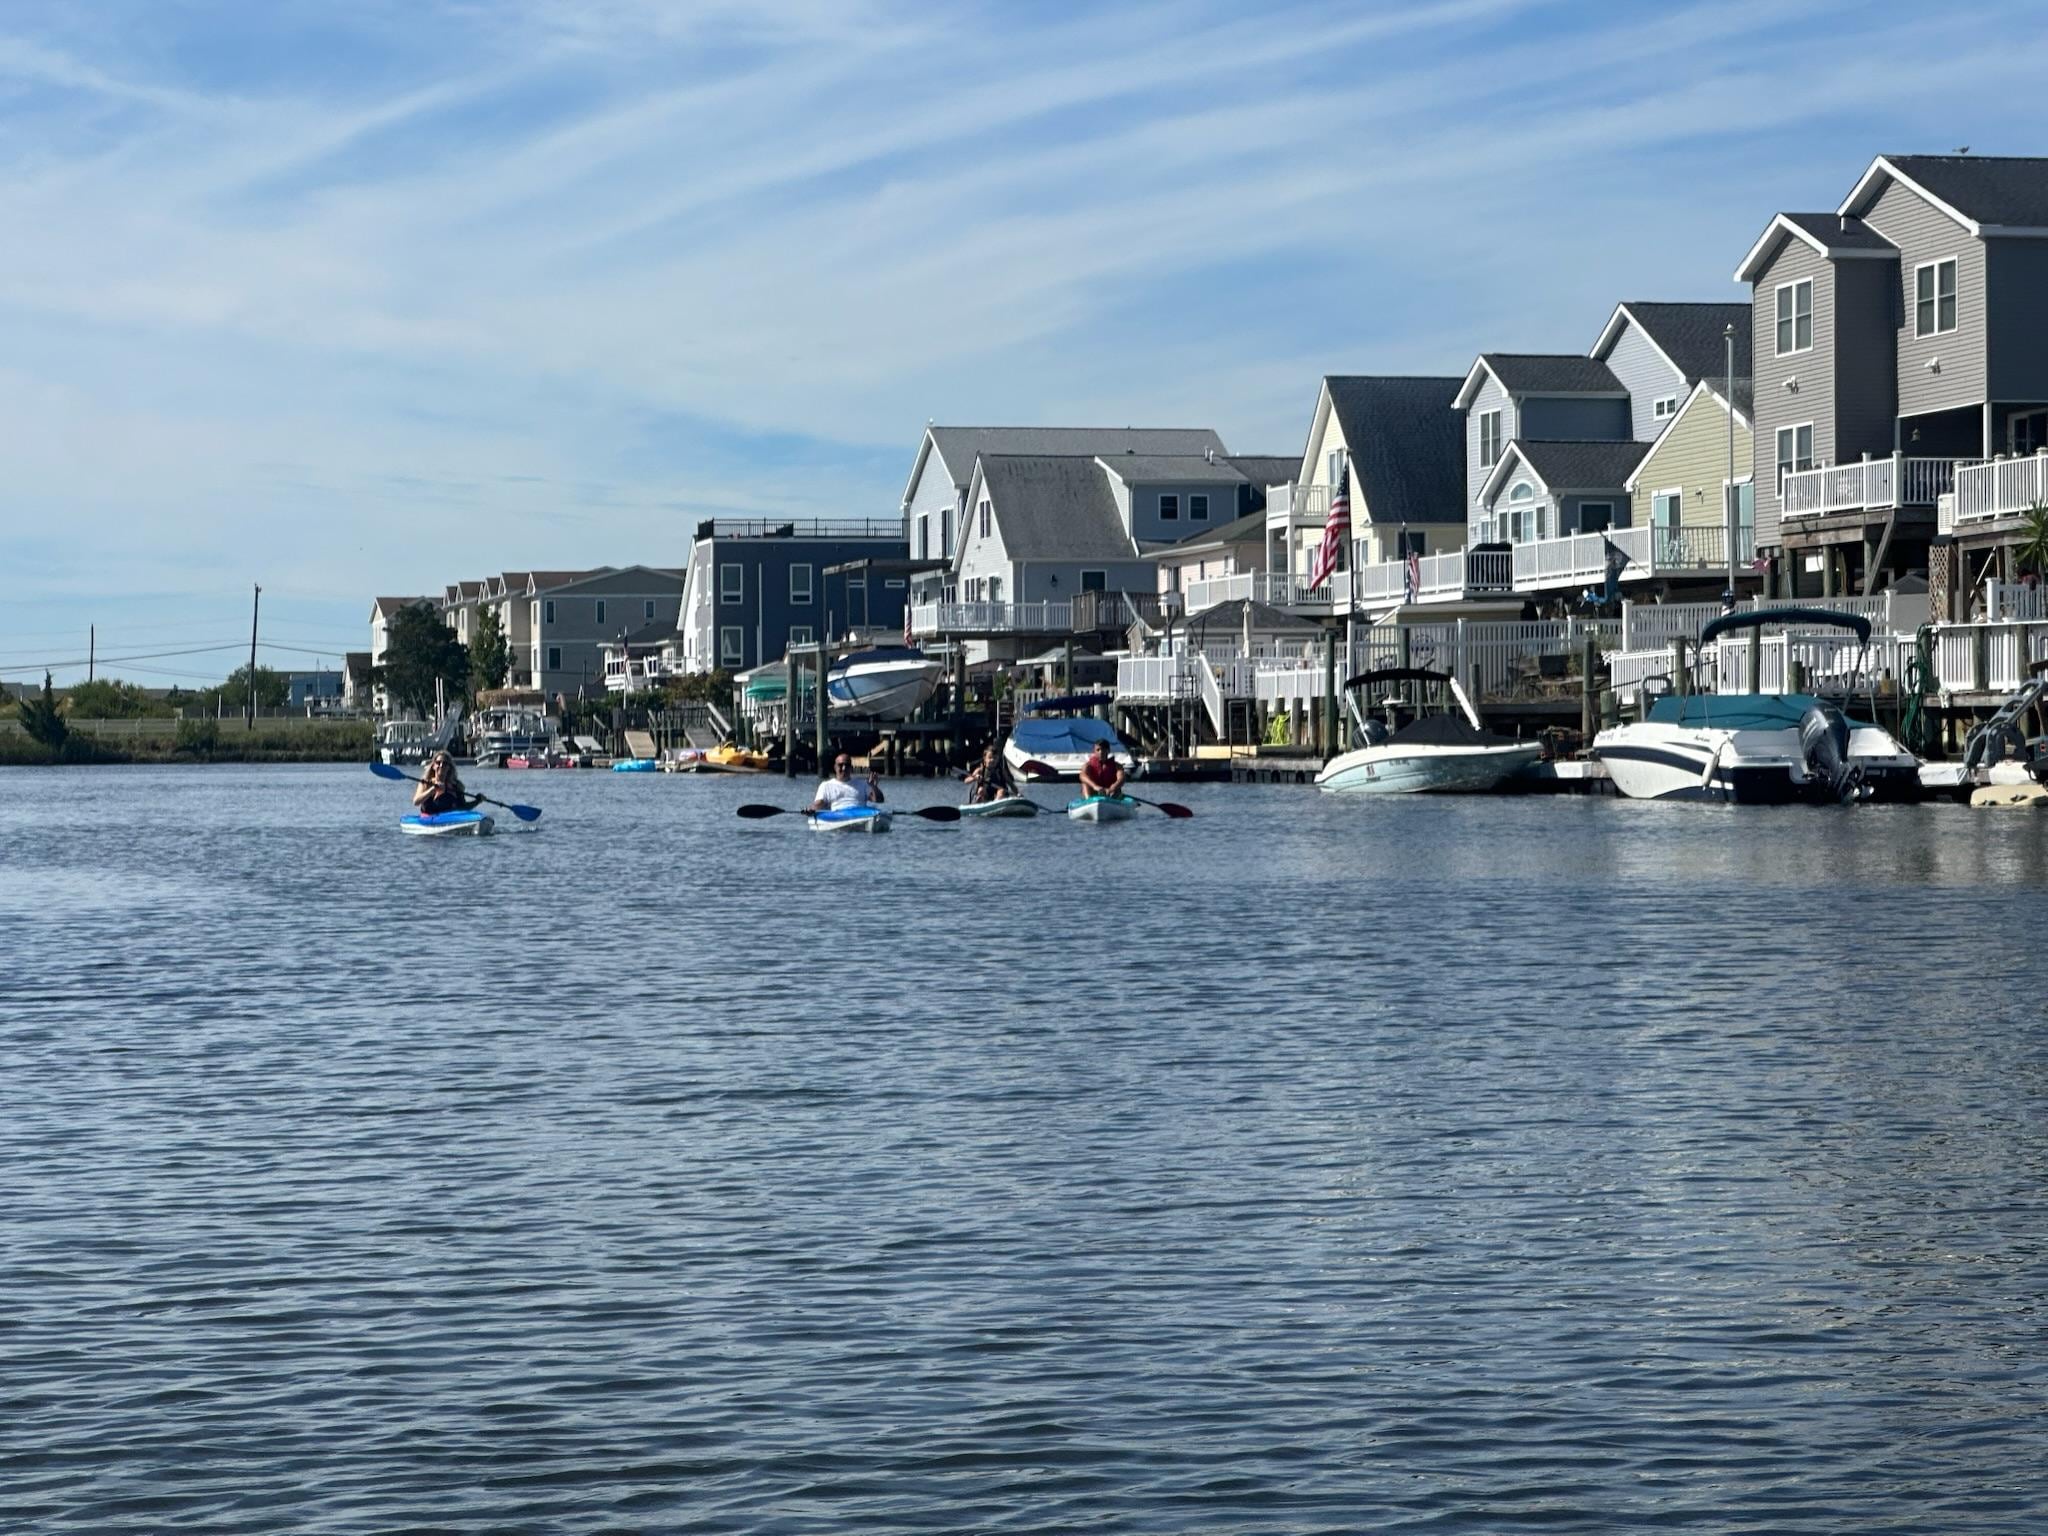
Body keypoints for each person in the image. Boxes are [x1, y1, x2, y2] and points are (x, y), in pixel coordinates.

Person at [809, 753, 885, 813]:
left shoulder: (862, 784)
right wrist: (810, 809)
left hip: (860, 815)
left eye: (847, 765)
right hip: (838, 817)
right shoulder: (826, 785)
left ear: (851, 768)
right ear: (835, 767)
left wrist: (874, 787)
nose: (844, 768)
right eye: (840, 765)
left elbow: (879, 800)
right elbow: (818, 804)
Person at [413, 751, 481, 817]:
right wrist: (432, 790)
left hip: (449, 819)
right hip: (427, 818)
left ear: (449, 767)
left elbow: (463, 807)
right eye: (438, 763)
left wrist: (477, 801)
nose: (441, 765)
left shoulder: (457, 785)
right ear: (433, 766)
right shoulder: (425, 783)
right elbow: (416, 802)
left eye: (445, 763)